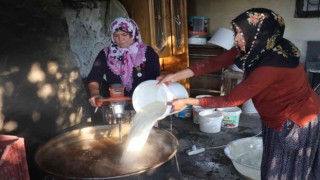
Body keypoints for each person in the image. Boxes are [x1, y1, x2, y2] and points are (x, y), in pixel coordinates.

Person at [157, 8, 320, 179]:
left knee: (285, 171)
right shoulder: (259, 46)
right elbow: (214, 62)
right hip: (280, 112)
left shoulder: (271, 66)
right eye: (237, 32)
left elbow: (231, 100)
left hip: (294, 121)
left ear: (259, 34)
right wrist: (174, 76)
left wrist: (185, 101)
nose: (236, 38)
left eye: (241, 34)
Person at [87, 17, 160, 124]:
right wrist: (95, 94)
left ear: (133, 34)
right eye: (116, 36)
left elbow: (154, 80)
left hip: (144, 104)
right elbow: (94, 77)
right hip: (115, 107)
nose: (120, 39)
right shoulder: (106, 54)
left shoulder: (147, 53)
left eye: (124, 35)